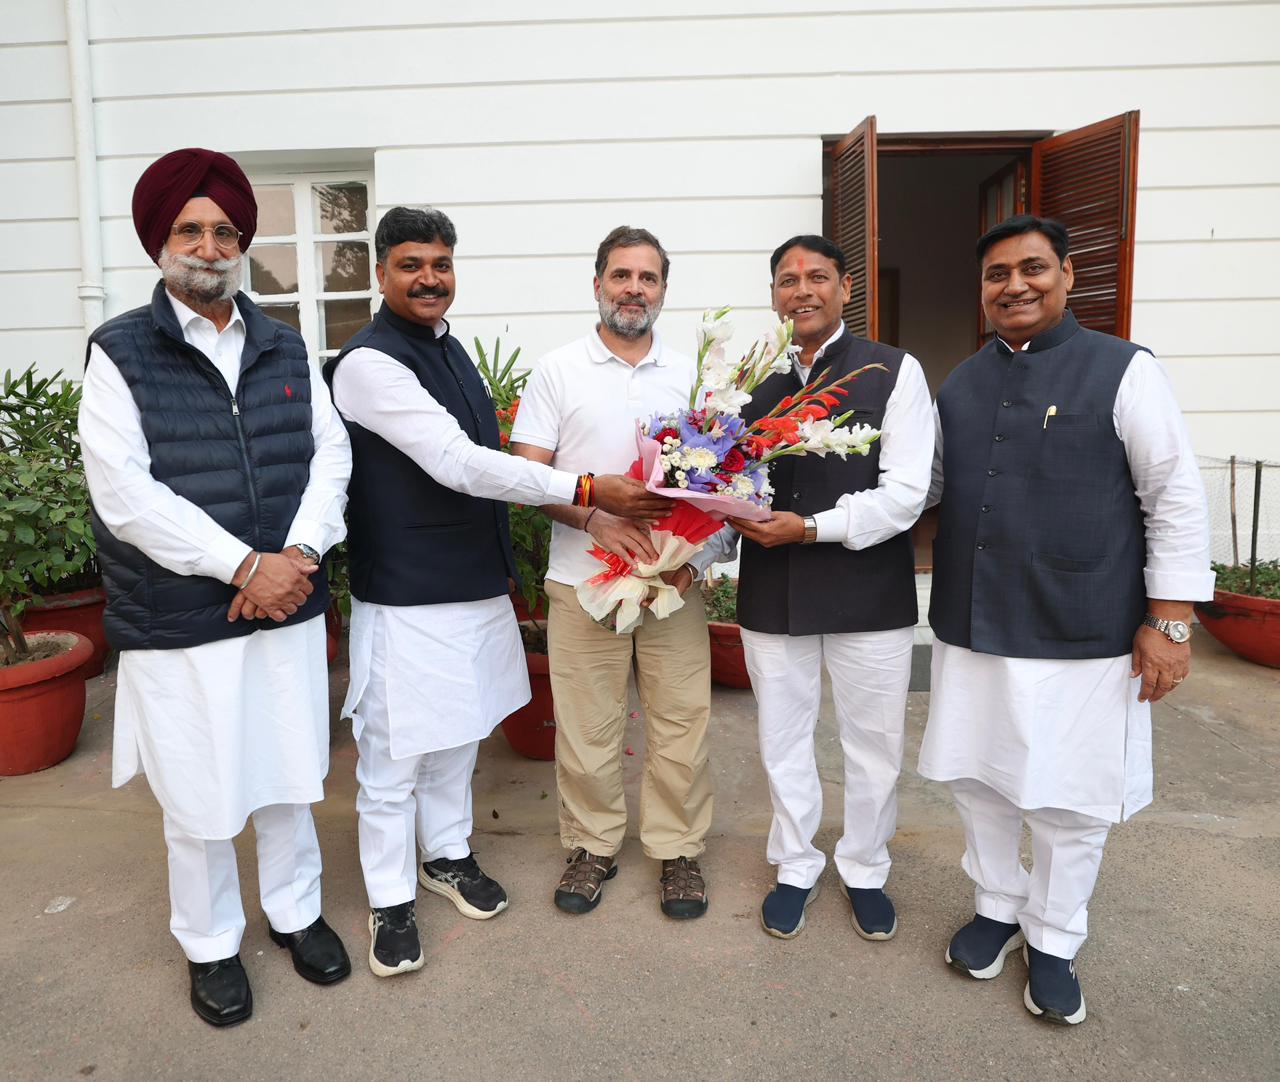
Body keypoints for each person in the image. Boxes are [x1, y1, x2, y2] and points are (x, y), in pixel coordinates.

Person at [324, 208, 670, 976]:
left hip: (474, 580)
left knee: (460, 734)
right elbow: (457, 461)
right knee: (394, 755)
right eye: (411, 264)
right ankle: (389, 898)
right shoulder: (369, 364)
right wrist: (587, 489)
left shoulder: (447, 348)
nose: (429, 279)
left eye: (441, 264)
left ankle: (445, 855)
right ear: (380, 273)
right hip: (406, 590)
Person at [78, 148, 353, 1027]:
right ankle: (209, 944)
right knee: (198, 792)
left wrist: (296, 555)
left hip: (285, 600)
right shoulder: (120, 349)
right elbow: (124, 493)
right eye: (190, 229)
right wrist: (243, 566)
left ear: (242, 243)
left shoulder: (283, 341)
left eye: (224, 230)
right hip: (183, 614)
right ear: (160, 242)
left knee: (287, 769)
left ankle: (296, 913)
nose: (208, 245)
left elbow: (331, 454)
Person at [919, 214, 1214, 1025]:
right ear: (982, 290)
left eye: (1033, 268)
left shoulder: (1124, 370)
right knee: (978, 779)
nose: (1014, 285)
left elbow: (1174, 496)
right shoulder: (960, 383)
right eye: (997, 274)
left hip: (1085, 624)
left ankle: (1053, 937)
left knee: (1070, 798)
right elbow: (926, 491)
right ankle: (996, 905)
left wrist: (1171, 620)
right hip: (974, 619)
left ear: (1068, 275)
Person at [726, 235, 933, 941]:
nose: (802, 290)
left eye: (817, 277)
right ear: (774, 296)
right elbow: (727, 492)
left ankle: (866, 867)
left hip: (866, 590)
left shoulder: (893, 371)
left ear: (845, 288)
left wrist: (812, 528)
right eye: (787, 280)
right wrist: (691, 554)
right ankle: (795, 862)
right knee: (782, 738)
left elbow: (906, 494)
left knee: (873, 744)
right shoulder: (750, 385)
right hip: (772, 590)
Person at [511, 226, 719, 920]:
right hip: (582, 579)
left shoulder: (694, 376)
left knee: (681, 723)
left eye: (647, 277)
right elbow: (527, 478)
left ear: (664, 290)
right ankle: (591, 845)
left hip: (672, 585)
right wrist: (595, 516)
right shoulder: (557, 370)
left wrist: (697, 563)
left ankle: (678, 850)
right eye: (621, 275)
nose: (634, 289)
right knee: (586, 726)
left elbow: (727, 487)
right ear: (597, 283)